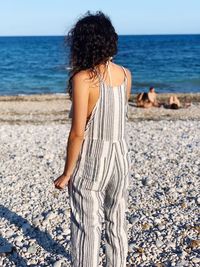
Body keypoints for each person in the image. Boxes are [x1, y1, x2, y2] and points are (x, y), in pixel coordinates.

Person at [54, 11, 132, 267]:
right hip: (120, 155)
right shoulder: (125, 75)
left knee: (86, 224)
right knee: (116, 220)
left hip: (93, 158)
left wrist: (67, 173)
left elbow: (78, 132)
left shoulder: (83, 79)